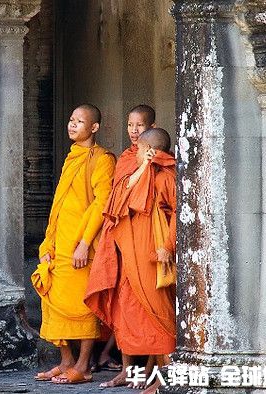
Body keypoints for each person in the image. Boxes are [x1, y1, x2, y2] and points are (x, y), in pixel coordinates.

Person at [85, 128, 177, 394]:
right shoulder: (136, 176)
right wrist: (143, 166)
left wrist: (168, 247)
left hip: (152, 259)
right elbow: (117, 203)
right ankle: (133, 373)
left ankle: (166, 380)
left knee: (159, 319)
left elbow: (178, 216)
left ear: (149, 150)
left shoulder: (166, 178)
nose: (133, 154)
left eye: (138, 150)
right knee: (127, 318)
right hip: (129, 258)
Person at [31, 104, 115, 384]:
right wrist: (48, 242)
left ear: (94, 128)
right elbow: (60, 206)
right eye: (70, 120)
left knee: (82, 306)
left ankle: (84, 365)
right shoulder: (72, 157)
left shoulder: (101, 159)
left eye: (79, 121)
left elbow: (101, 203)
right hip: (59, 243)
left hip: (81, 246)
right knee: (52, 300)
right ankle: (66, 360)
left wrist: (84, 243)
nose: (72, 125)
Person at [91, 105, 157, 376]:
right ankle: (127, 369)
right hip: (124, 242)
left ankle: (153, 369)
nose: (133, 130)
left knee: (154, 309)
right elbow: (119, 198)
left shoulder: (163, 161)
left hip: (149, 246)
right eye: (130, 125)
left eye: (139, 125)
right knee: (124, 307)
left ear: (152, 126)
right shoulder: (126, 159)